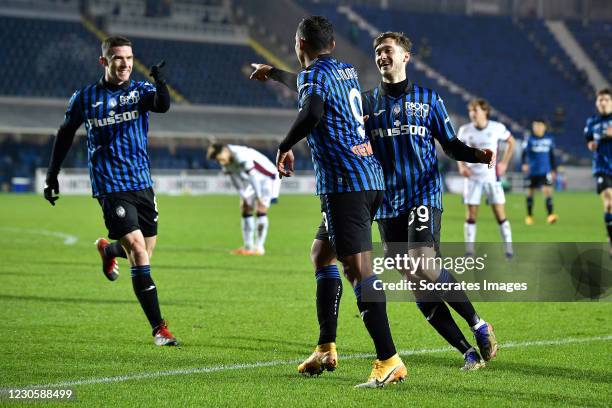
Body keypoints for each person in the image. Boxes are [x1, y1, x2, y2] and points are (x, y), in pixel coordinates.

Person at [252, 30, 498, 373]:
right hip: (384, 199)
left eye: (388, 50)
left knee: (422, 261)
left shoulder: (429, 100)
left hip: (422, 194)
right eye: (378, 52)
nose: (382, 56)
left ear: (405, 57)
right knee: (413, 280)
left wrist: (476, 155)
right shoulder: (366, 102)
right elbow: (315, 87)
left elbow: (451, 145)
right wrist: (276, 74)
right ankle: (466, 351)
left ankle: (476, 322)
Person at [252, 16, 406, 388]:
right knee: (322, 255)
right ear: (332, 46)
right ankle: (325, 346)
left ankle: (389, 359)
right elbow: (308, 84)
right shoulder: (345, 70)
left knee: (359, 272)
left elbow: (312, 110)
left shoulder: (314, 79)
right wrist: (275, 74)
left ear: (299, 44)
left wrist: (284, 146)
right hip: (369, 179)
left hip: (345, 185)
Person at [43, 35, 178, 346]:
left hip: (141, 182)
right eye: (118, 59)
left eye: (130, 59)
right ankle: (159, 328)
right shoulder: (85, 98)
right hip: (110, 185)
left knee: (143, 250)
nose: (125, 65)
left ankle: (108, 249)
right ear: (104, 61)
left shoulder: (141, 91)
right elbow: (64, 135)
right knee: (138, 250)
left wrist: (161, 83)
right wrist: (52, 175)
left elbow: (162, 106)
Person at [457, 99, 516, 259]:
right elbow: (457, 149)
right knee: (470, 216)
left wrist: (504, 163)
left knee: (500, 215)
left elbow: (511, 142)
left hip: (492, 178)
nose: (472, 114)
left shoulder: (497, 128)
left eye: (475, 110)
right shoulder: (465, 130)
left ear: (485, 112)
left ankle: (509, 250)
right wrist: (461, 166)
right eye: (471, 111)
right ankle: (469, 252)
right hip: (473, 179)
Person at [207, 143, 280, 255]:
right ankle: (248, 247)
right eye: (218, 161)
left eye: (220, 159)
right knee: (245, 207)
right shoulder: (226, 159)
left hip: (268, 178)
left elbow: (253, 176)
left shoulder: (240, 155)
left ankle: (259, 248)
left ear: (225, 151)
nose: (221, 162)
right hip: (254, 180)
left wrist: (259, 196)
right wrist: (243, 196)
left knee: (261, 209)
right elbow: (235, 179)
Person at [585, 88, 612, 255]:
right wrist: (592, 144)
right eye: (600, 99)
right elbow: (589, 141)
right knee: (609, 203)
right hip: (602, 167)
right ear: (596, 103)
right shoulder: (592, 122)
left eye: (606, 100)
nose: (602, 102)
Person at [522, 119, 558, 225]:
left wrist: (553, 169)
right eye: (535, 125)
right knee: (529, 193)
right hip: (532, 171)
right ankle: (529, 216)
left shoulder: (549, 139)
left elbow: (552, 155)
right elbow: (523, 153)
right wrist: (524, 164)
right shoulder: (529, 139)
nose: (537, 128)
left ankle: (550, 215)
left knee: (548, 193)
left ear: (544, 127)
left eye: (539, 125)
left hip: (545, 170)